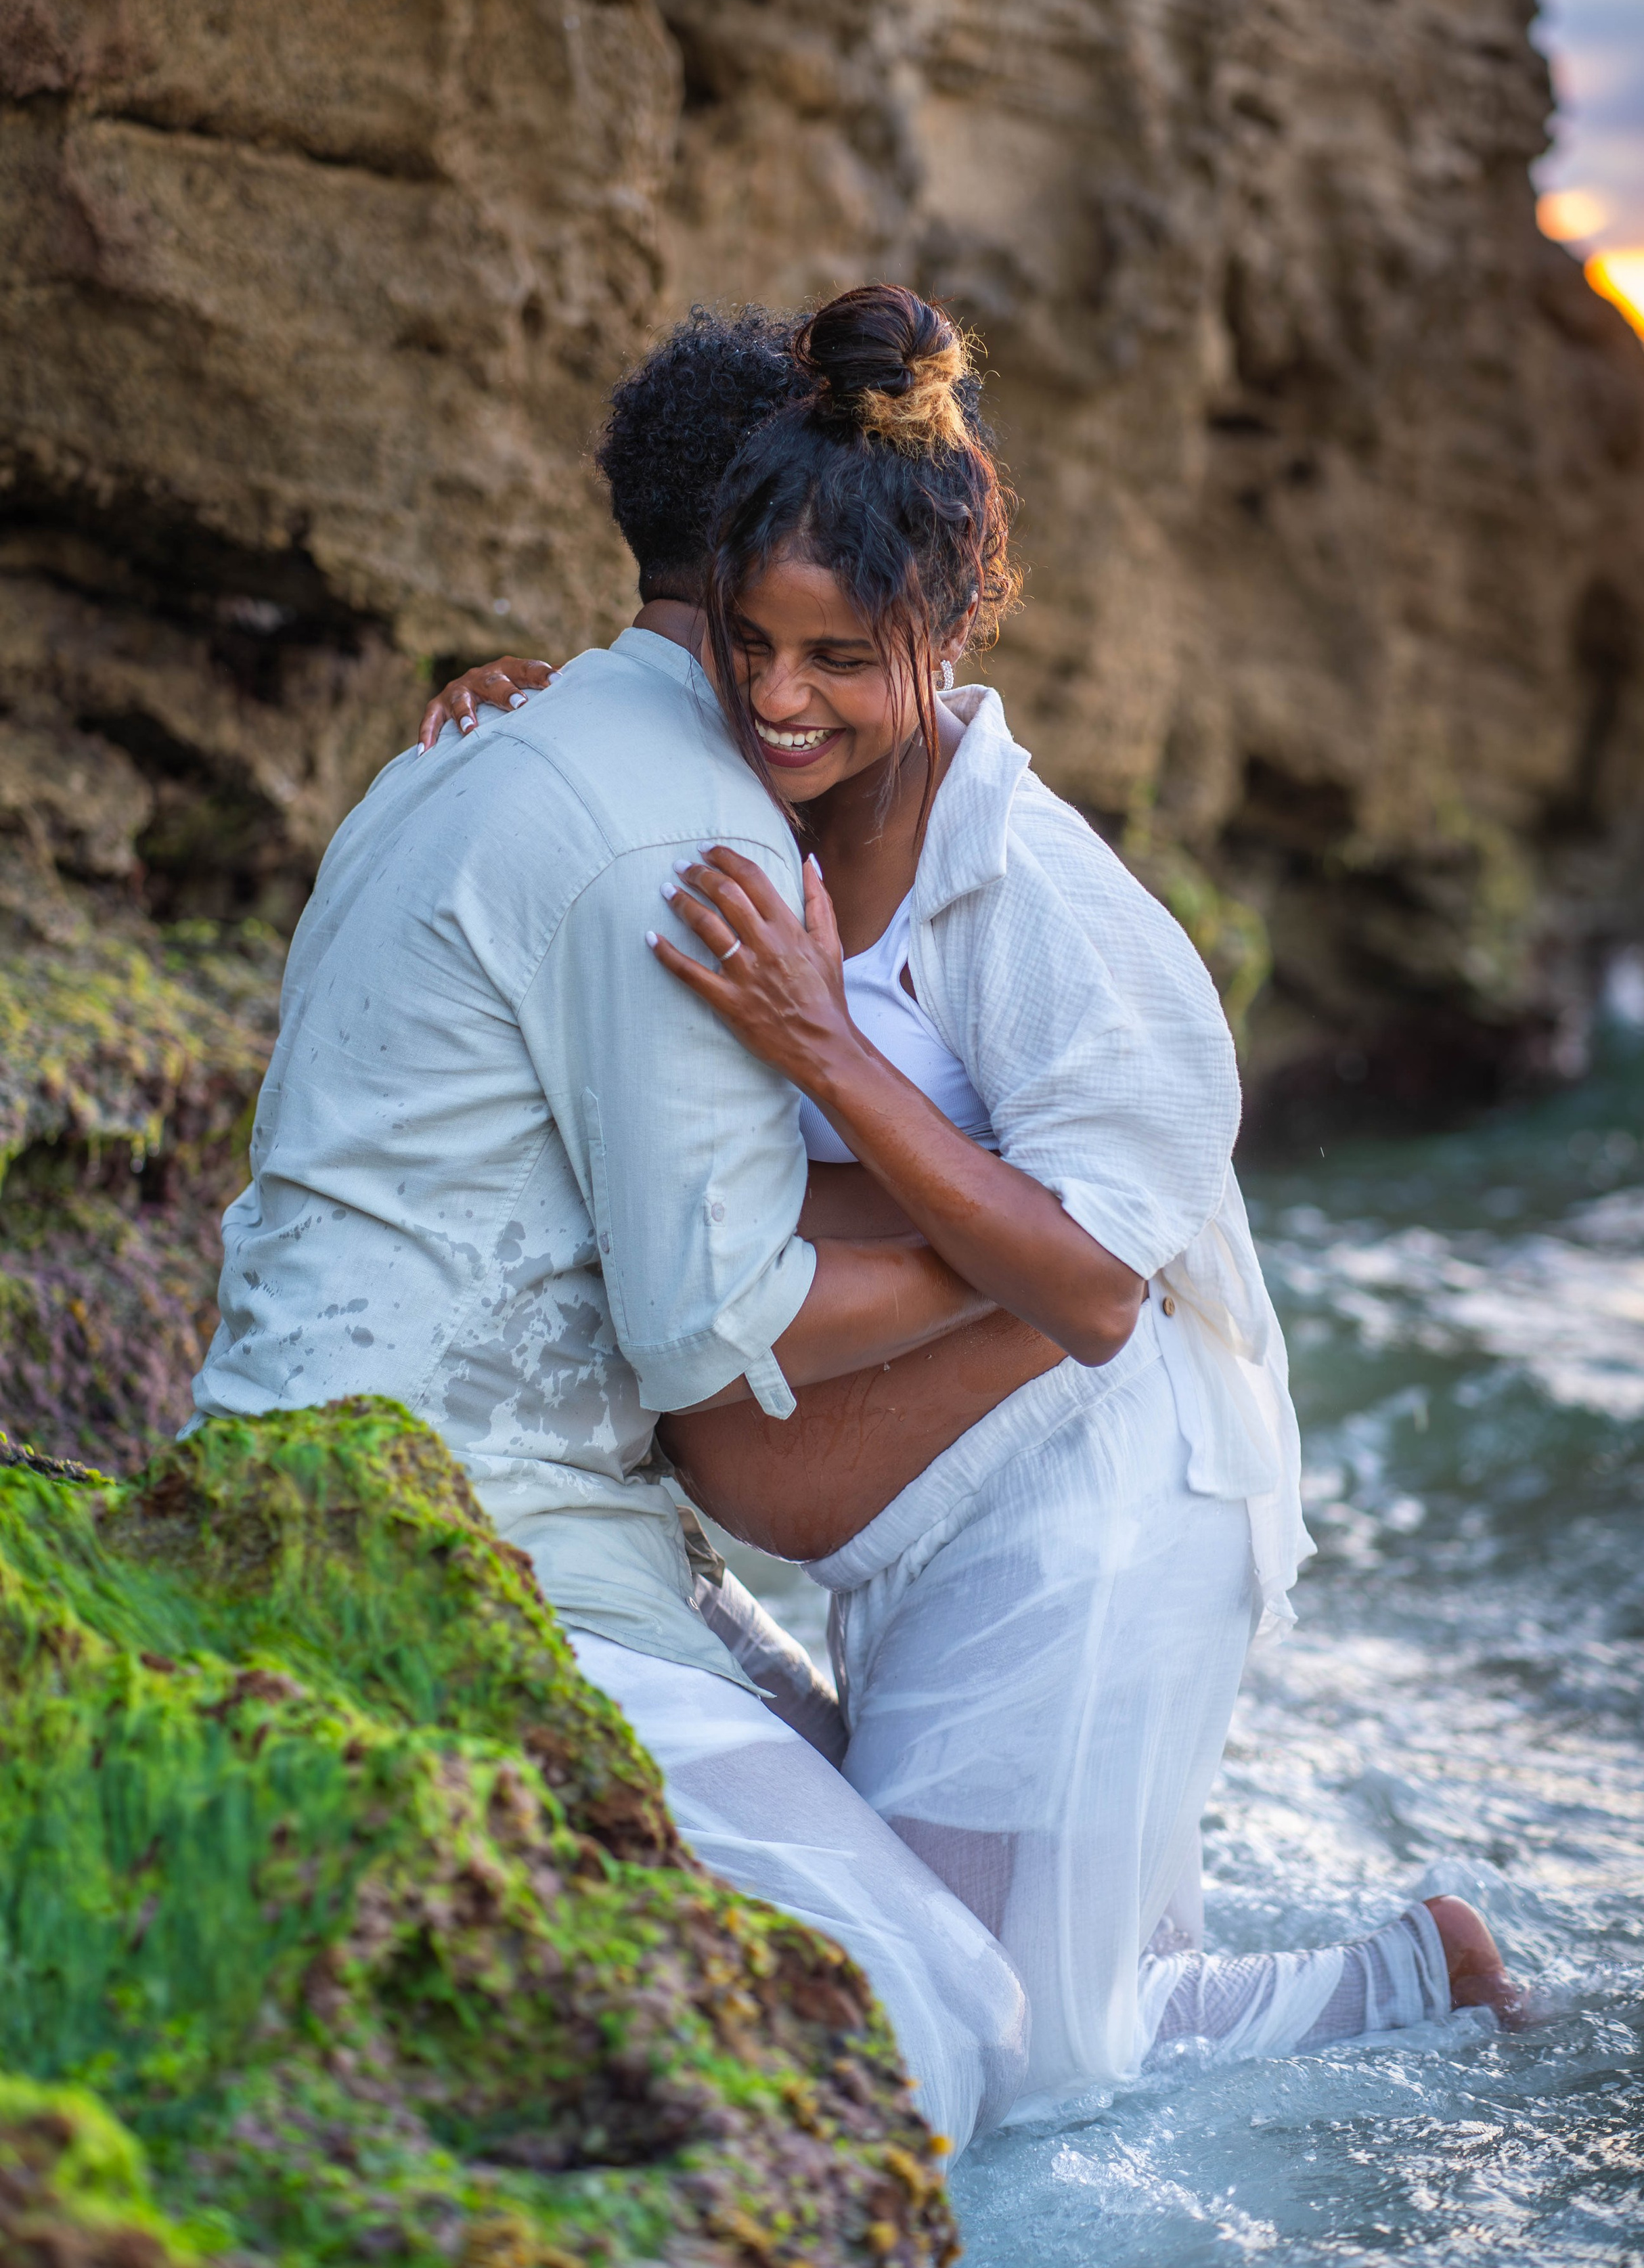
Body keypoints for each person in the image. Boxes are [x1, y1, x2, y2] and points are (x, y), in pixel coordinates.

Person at [426, 284, 1522, 2105]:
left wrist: (829, 1051)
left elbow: (1101, 1282)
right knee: (980, 1968)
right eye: (749, 652)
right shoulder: (751, 779)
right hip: (916, 1509)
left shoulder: (1050, 917)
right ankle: (1267, 1953)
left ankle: (1423, 1980)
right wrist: (531, 702)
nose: (782, 700)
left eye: (840, 661)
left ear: (942, 631)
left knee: (1025, 2067)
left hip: (1097, 1507)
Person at [190, 303, 1033, 2156]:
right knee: (947, 2008)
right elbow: (708, 1322)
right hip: (464, 1540)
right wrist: (1034, 1268)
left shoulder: (473, 752)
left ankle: (1395, 1988)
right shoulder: (674, 826)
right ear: (767, 543)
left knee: (966, 1910)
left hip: (418, 1484)